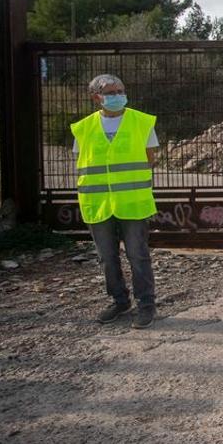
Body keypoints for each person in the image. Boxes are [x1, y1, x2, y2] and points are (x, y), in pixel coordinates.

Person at [70, 74, 159, 329]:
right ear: (96, 97)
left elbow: (150, 159)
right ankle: (119, 302)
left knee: (138, 255)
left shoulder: (141, 122)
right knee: (107, 258)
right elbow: (83, 161)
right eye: (111, 92)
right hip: (98, 203)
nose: (118, 95)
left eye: (120, 90)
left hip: (132, 202)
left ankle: (146, 305)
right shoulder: (84, 128)